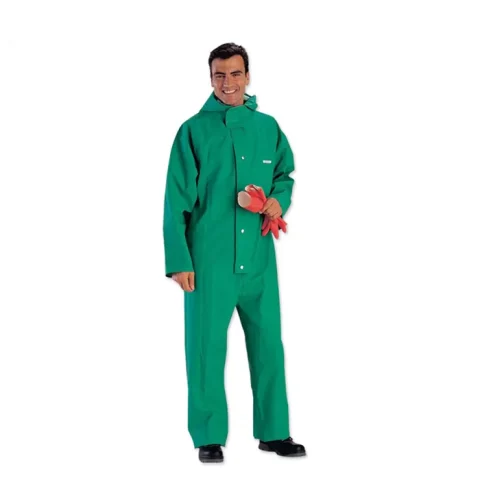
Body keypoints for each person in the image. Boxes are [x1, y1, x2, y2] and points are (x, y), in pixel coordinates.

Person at [163, 42, 306, 463]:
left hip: (259, 258)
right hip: (209, 262)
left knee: (268, 346)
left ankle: (274, 432)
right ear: (210, 78)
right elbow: (175, 200)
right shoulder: (193, 131)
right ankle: (209, 436)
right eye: (219, 75)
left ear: (248, 76)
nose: (228, 82)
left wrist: (279, 200)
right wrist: (179, 261)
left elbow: (284, 175)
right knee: (205, 348)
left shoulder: (268, 127)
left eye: (235, 73)